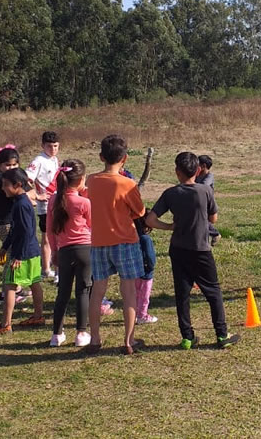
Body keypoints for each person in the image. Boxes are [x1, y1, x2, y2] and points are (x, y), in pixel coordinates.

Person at [145, 152, 239, 350]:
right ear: (197, 170)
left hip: (178, 248)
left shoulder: (170, 193)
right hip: (201, 249)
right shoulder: (205, 191)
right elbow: (213, 219)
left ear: (177, 172)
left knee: (183, 293)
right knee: (213, 291)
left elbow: (150, 220)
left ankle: (187, 337)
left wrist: (170, 227)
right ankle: (222, 335)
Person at [85, 135, 146, 355]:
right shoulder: (126, 183)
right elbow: (139, 211)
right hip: (125, 242)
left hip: (99, 242)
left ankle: (95, 339)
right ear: (125, 159)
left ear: (101, 157)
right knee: (128, 291)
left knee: (97, 292)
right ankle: (129, 340)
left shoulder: (91, 180)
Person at [0, 168, 45, 334]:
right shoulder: (21, 202)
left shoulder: (21, 206)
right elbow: (15, 230)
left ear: (18, 185)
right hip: (33, 251)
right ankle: (38, 316)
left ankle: (5, 325)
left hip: (23, 254)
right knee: (34, 282)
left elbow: (24, 232)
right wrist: (4, 246)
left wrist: (18, 256)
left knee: (9, 286)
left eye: (6, 185)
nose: (3, 188)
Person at [46, 160, 92, 347]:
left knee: (63, 292)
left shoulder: (53, 201)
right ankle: (81, 333)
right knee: (83, 290)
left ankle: (57, 334)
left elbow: (50, 230)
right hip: (85, 249)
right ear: (81, 179)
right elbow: (93, 226)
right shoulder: (84, 202)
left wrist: (54, 251)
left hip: (64, 251)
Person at [0, 146, 30, 304]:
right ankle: (5, 293)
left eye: (14, 165)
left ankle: (16, 289)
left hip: (4, 222)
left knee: (13, 256)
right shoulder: (2, 180)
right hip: (3, 224)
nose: (11, 168)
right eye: (7, 165)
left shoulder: (5, 177)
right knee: (13, 258)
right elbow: (26, 193)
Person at [25, 131, 60, 283]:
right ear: (42, 146)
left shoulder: (54, 159)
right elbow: (26, 179)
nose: (53, 149)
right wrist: (36, 196)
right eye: (49, 146)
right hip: (45, 207)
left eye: (56, 146)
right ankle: (46, 269)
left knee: (58, 236)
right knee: (47, 237)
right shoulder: (38, 161)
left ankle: (52, 266)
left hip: (57, 203)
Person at [134, 217, 158, 325]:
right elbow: (150, 255)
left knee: (136, 293)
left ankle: (133, 313)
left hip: (135, 269)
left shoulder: (133, 237)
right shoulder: (145, 239)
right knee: (145, 294)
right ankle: (142, 315)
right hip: (146, 270)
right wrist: (151, 266)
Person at [195, 155, 221, 245]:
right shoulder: (196, 175)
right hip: (197, 201)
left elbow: (204, 186)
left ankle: (215, 234)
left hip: (207, 202)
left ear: (203, 166)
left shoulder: (209, 176)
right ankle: (211, 236)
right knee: (201, 220)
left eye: (197, 164)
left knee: (202, 221)